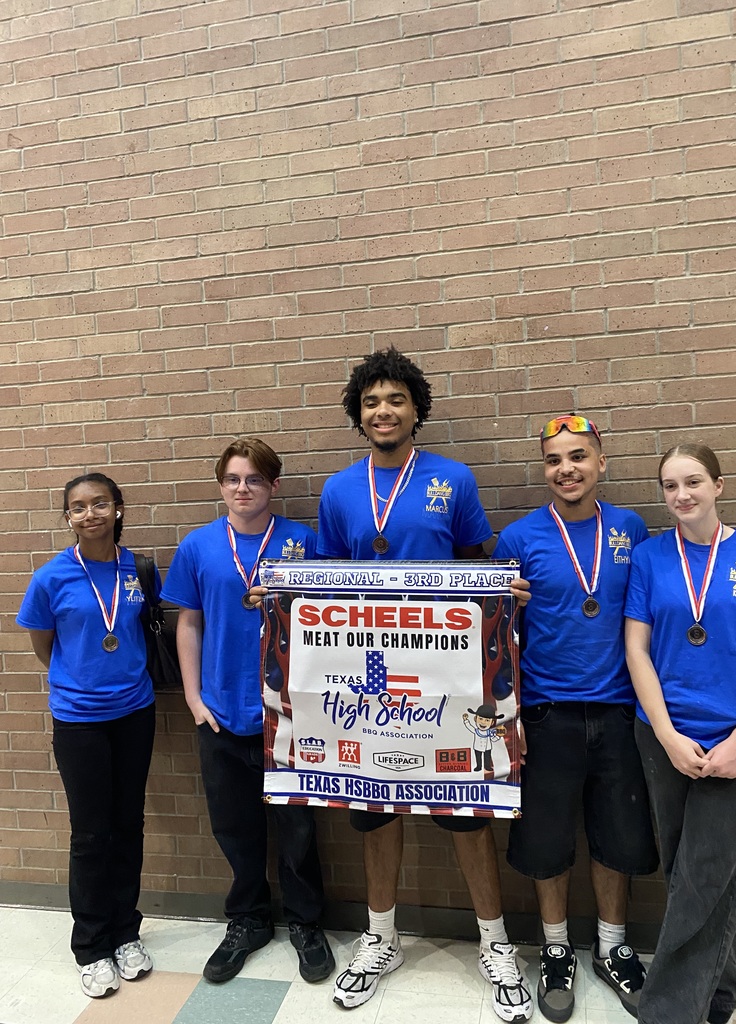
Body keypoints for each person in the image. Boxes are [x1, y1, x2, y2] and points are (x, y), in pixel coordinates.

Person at [317, 347, 533, 1023]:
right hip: (368, 678)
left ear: (417, 411)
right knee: (376, 809)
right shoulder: (337, 489)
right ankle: (381, 938)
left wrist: (503, 592)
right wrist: (279, 597)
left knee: (464, 807)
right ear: (358, 414)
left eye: (396, 400)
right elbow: (326, 577)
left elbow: (475, 566)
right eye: (372, 401)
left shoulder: (454, 479)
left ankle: (495, 945)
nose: (384, 411)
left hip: (446, 677)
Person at [494, 415, 658, 1023]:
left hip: (618, 708)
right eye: (555, 460)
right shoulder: (518, 538)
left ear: (601, 462)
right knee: (547, 838)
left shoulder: (631, 528)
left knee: (617, 834)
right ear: (545, 469)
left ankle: (613, 947)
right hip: (546, 710)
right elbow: (497, 637)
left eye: (578, 457)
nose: (567, 469)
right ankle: (557, 946)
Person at [161, 438, 334, 986]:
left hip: (290, 715)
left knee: (298, 826)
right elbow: (188, 623)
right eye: (233, 479)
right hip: (220, 711)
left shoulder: (303, 543)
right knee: (234, 826)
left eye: (254, 479)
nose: (242, 488)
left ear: (273, 486)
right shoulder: (197, 546)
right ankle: (248, 920)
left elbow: (336, 618)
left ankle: (306, 923)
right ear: (221, 486)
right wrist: (193, 698)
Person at [625, 443, 736, 1024]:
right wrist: (664, 733)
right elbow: (636, 649)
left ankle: (667, 1010)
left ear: (719, 485)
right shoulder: (649, 557)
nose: (681, 495)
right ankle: (720, 992)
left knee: (706, 871)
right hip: (664, 737)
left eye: (693, 482)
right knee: (688, 871)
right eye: (669, 486)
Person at [16, 473, 156, 999]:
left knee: (129, 824)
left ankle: (126, 933)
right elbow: (43, 646)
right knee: (92, 833)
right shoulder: (52, 577)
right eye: (78, 507)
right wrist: (81, 683)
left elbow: (144, 629)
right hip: (79, 719)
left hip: (135, 712)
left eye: (100, 503)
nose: (90, 513)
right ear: (68, 518)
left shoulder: (139, 569)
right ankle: (92, 945)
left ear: (118, 508)